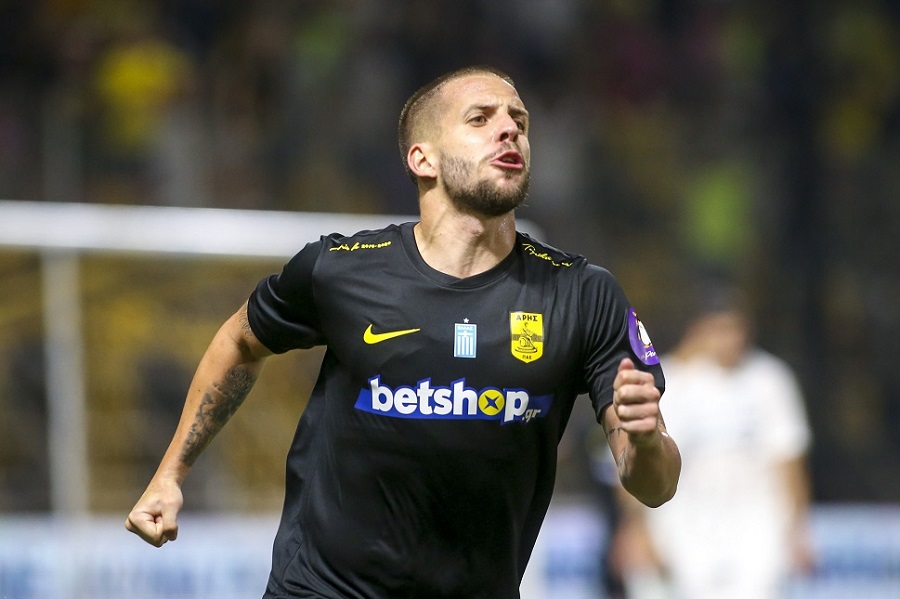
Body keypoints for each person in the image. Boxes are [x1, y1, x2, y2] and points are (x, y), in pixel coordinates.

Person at [125, 65, 682, 599]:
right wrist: (171, 474)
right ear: (422, 158)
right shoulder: (342, 270)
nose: (510, 129)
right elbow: (240, 341)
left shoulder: (582, 293)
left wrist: (643, 441)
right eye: (480, 118)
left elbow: (655, 487)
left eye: (519, 120)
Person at [610, 285, 814, 599]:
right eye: (720, 328)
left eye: (736, 328)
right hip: (679, 530)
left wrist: (797, 529)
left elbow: (788, 460)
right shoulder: (667, 383)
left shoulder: (769, 380)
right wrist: (636, 529)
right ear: (699, 329)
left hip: (755, 534)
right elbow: (633, 458)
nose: (730, 339)